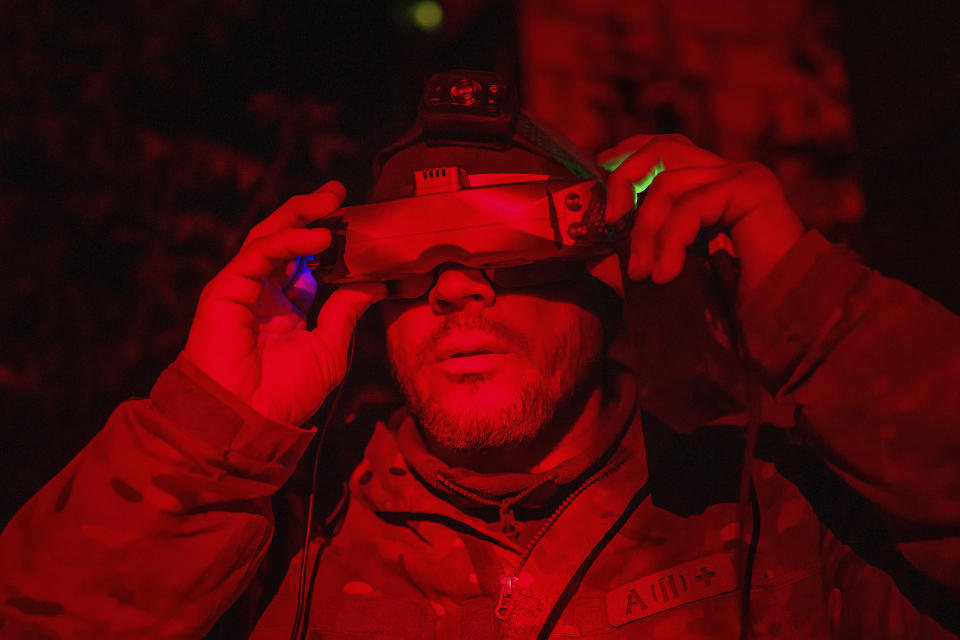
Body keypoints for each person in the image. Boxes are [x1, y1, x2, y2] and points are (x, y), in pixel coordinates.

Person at [1, 72, 959, 640]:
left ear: (608, 271)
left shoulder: (776, 511)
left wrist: (816, 310)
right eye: (408, 258)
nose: (456, 287)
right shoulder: (275, 544)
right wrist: (206, 431)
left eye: (505, 243)